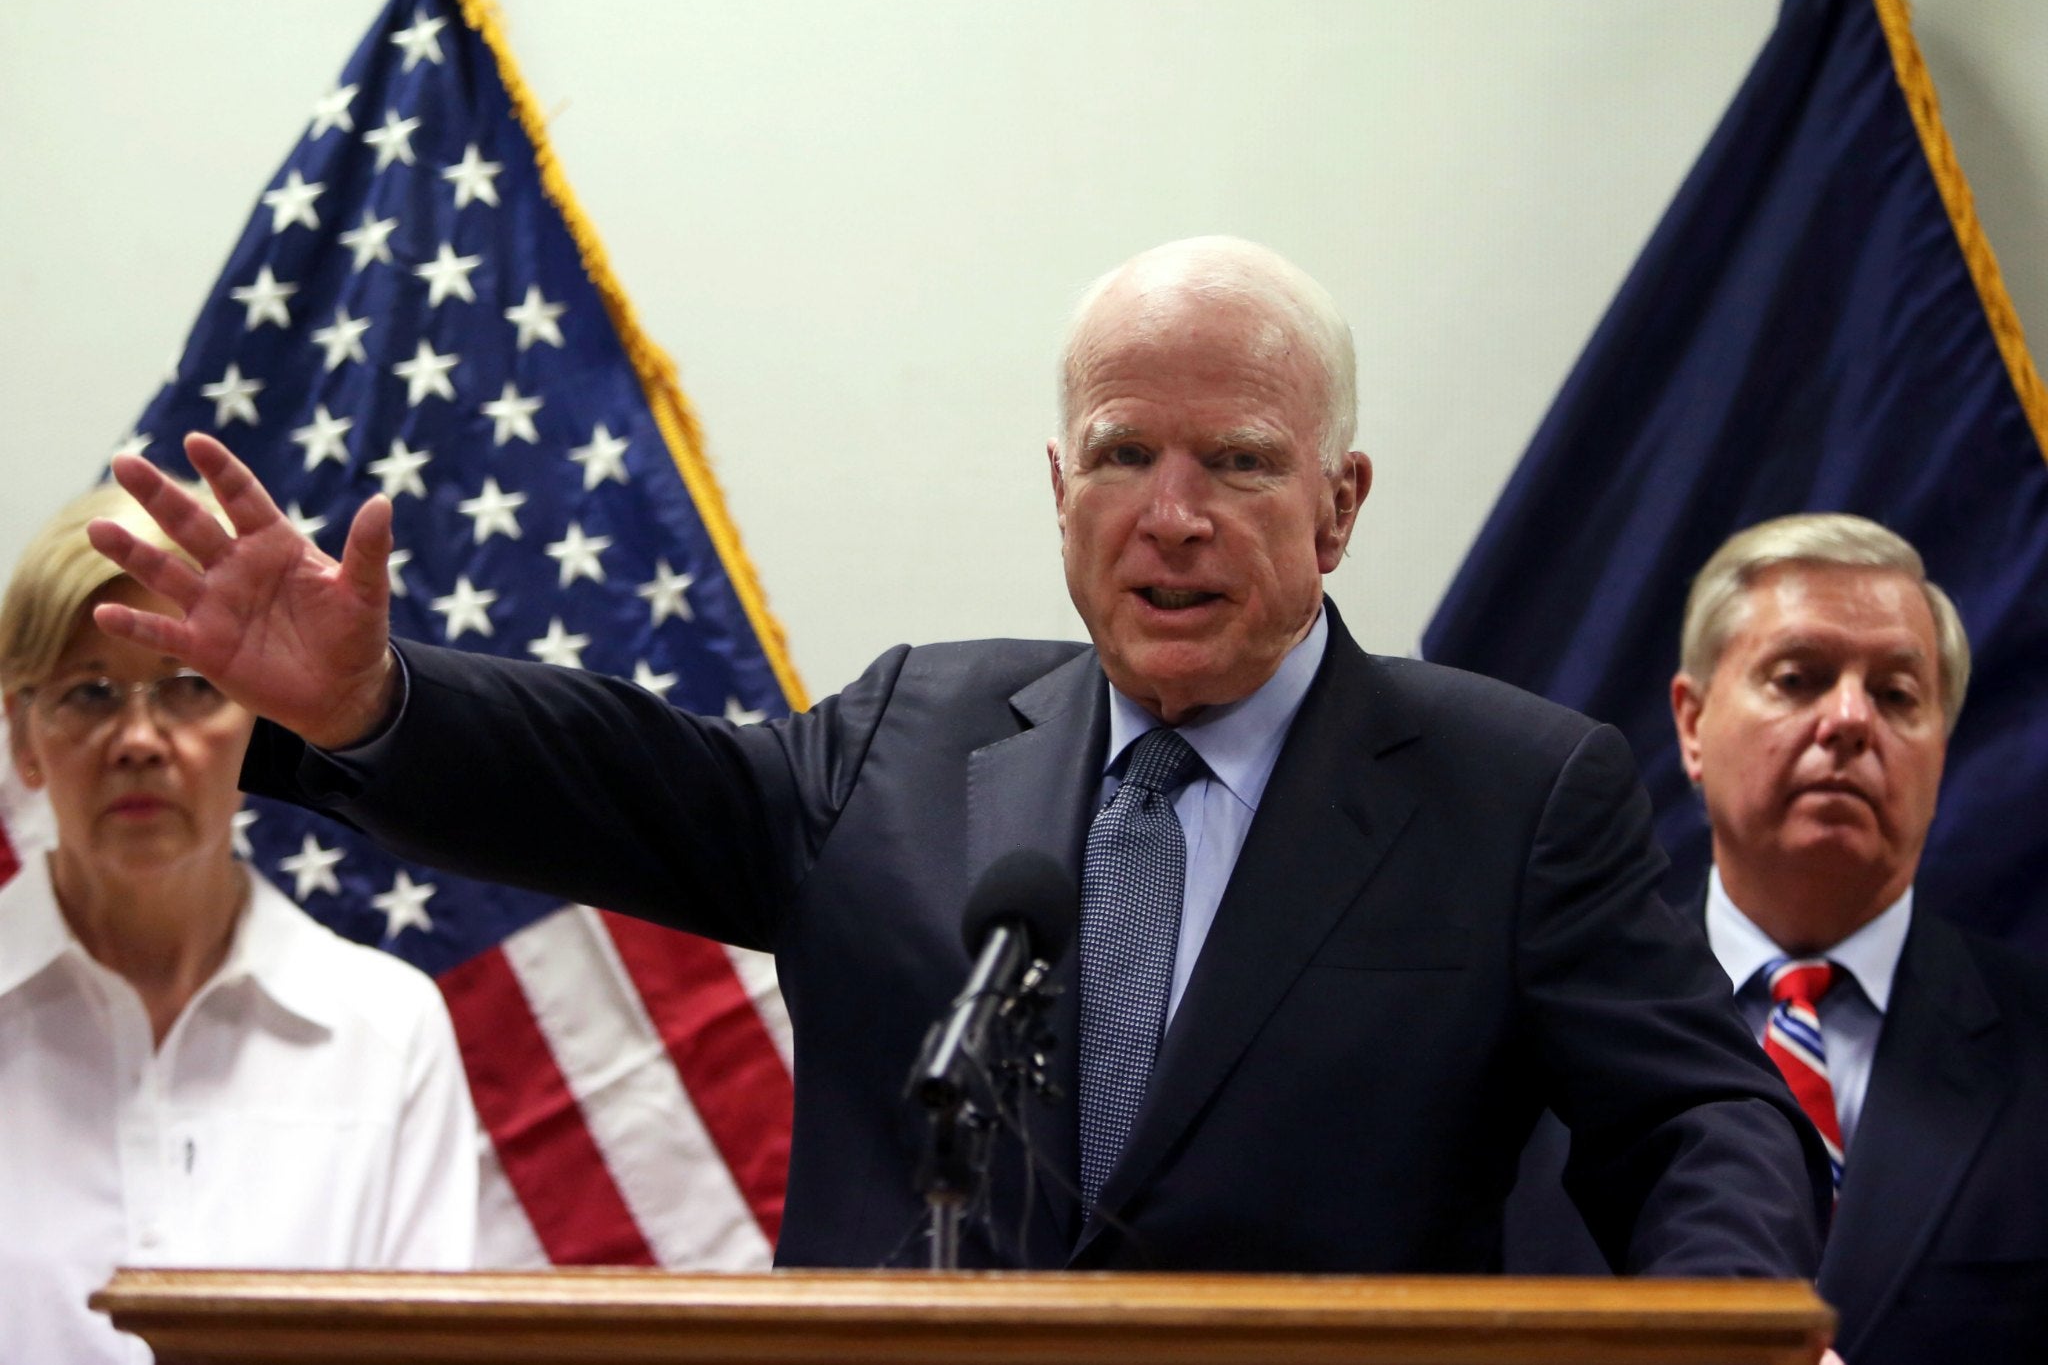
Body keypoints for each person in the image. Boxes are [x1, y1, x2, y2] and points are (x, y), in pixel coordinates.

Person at [91, 236, 1828, 1273]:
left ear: (1337, 501)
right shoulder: (911, 733)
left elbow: (1694, 1117)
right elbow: (629, 779)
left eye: (1232, 458)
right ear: (1054, 487)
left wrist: (1729, 1315)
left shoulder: (1513, 792)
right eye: (1120, 451)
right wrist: (363, 698)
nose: (1171, 514)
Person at [1508, 513, 2048, 1362]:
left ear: (1942, 750)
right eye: (1799, 679)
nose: (1848, 720)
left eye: (1898, 695)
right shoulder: (1519, 1051)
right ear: (1691, 725)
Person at [0, 483, 478, 1365]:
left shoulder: (385, 1032)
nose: (139, 739)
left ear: (253, 721)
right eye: (90, 694)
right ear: (23, 736)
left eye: (189, 688)